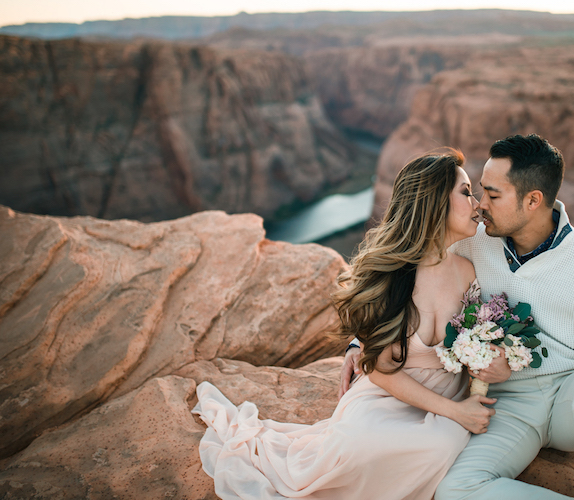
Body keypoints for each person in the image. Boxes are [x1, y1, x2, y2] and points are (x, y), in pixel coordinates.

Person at [341, 134, 574, 499]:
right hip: (507, 406)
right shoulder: (469, 241)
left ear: (532, 200)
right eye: (478, 191)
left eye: (493, 196)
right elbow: (408, 271)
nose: (480, 206)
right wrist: (362, 340)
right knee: (455, 491)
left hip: (572, 399)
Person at [192, 151, 496, 500]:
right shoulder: (390, 276)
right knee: (354, 445)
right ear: (434, 203)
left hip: (444, 398)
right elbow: (382, 371)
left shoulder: (470, 269)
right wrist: (456, 411)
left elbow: (483, 335)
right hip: (389, 394)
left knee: (440, 446)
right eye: (466, 192)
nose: (477, 204)